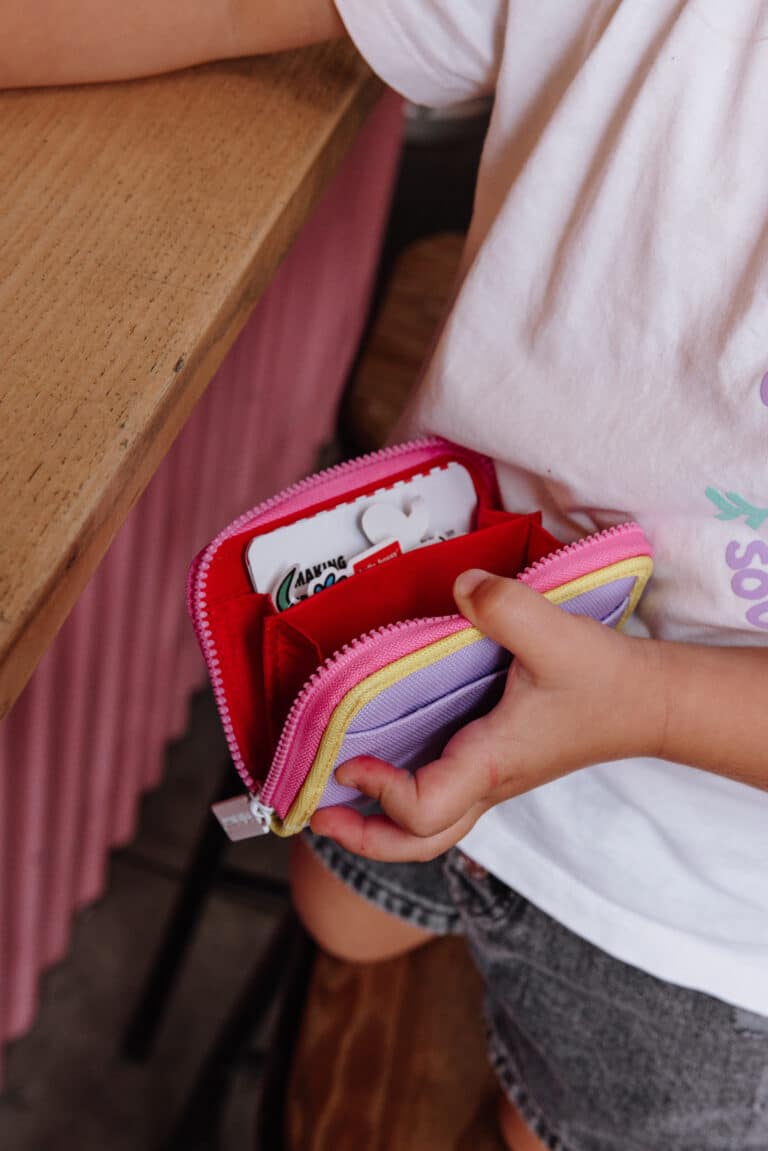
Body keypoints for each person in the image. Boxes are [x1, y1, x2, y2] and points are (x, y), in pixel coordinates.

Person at [6, 4, 768, 1148]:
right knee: (346, 905)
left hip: (690, 913)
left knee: (538, 1117)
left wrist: (651, 704)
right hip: (428, 661)